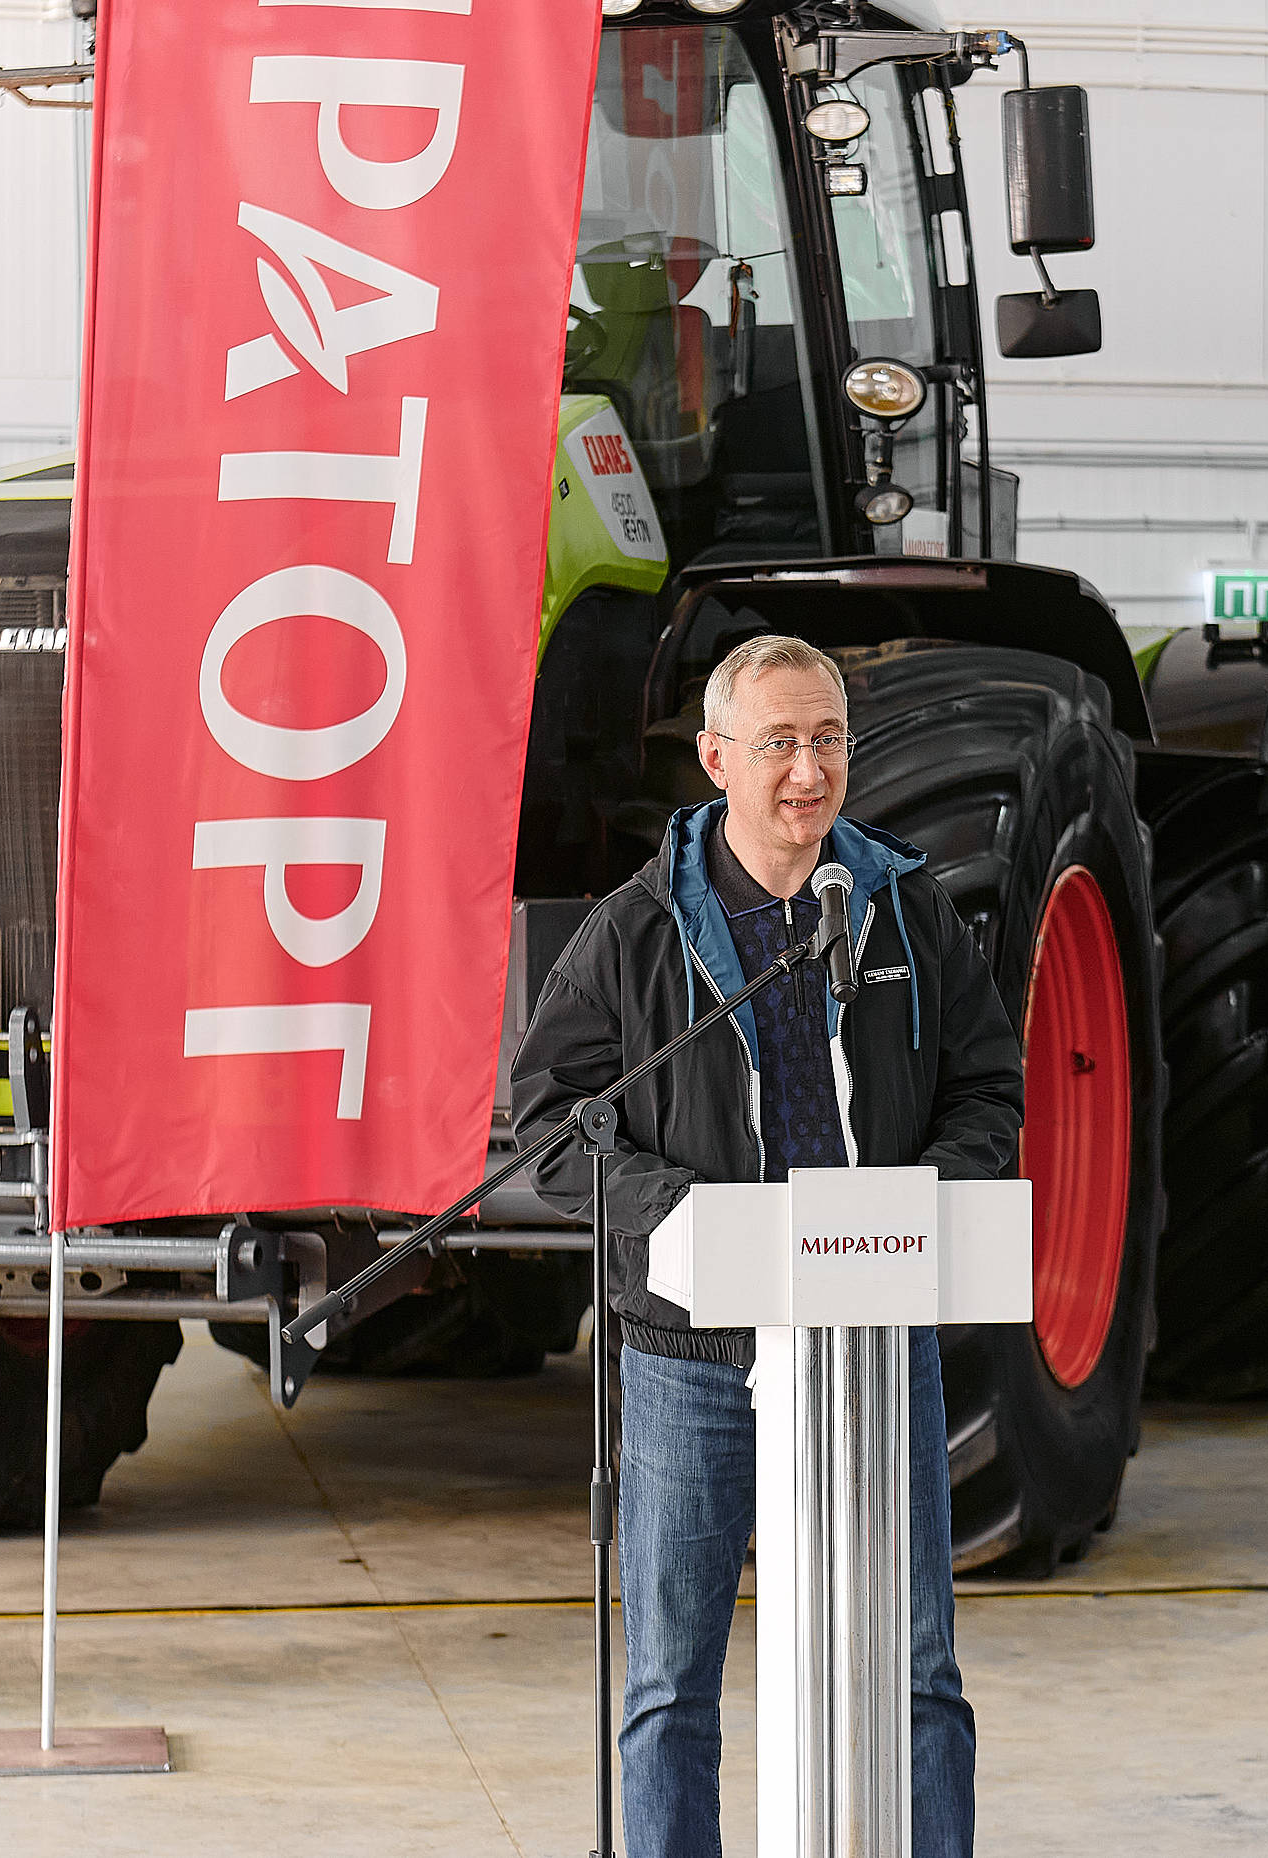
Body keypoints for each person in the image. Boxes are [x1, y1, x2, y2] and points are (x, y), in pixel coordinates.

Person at [510, 631, 1022, 1858]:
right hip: (690, 1357)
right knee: (670, 1682)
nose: (809, 770)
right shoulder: (635, 933)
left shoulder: (905, 910)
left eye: (829, 739)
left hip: (874, 1340)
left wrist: (923, 1198)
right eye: (780, 742)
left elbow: (987, 1088)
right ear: (716, 758)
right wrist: (676, 1209)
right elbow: (551, 1126)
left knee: (918, 1667)